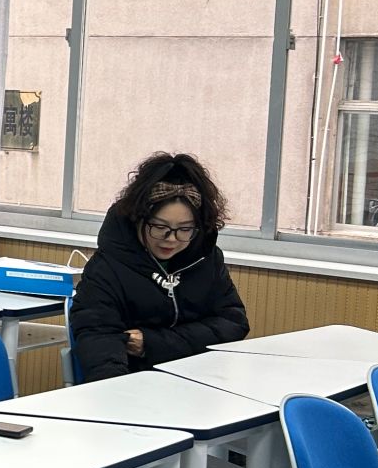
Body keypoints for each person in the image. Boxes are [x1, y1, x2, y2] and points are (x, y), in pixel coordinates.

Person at [71, 151, 248, 383]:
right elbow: (100, 344)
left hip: (202, 382)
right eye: (160, 227)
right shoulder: (107, 268)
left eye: (184, 229)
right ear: (138, 218)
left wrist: (153, 343)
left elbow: (233, 324)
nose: (171, 239)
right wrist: (118, 394)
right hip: (136, 385)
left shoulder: (207, 260)